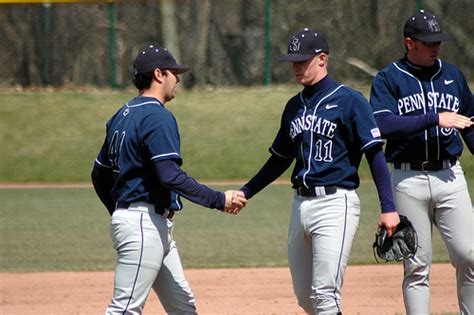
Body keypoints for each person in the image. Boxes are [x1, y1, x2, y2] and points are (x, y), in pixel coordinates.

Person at [239, 28, 400, 314]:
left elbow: (374, 154)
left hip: (336, 204)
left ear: (322, 58)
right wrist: (246, 192)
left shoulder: (350, 100)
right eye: (293, 61)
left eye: (303, 60)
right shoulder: (293, 107)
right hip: (299, 205)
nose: (296, 66)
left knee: (325, 295)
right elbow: (279, 159)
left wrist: (389, 207)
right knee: (306, 298)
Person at [91, 44, 247, 314]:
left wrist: (118, 212)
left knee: (183, 307)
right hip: (143, 224)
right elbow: (170, 175)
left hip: (146, 223)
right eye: (174, 72)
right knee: (124, 309)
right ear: (159, 74)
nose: (179, 78)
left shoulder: (120, 115)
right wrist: (218, 199)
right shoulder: (157, 116)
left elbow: (99, 174)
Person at [369, 10, 474, 314]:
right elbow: (384, 125)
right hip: (408, 180)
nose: (435, 47)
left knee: (469, 256)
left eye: (438, 41)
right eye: (428, 42)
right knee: (416, 265)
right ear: (408, 43)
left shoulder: (452, 75)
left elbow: (468, 123)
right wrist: (433, 118)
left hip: (450, 177)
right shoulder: (389, 79)